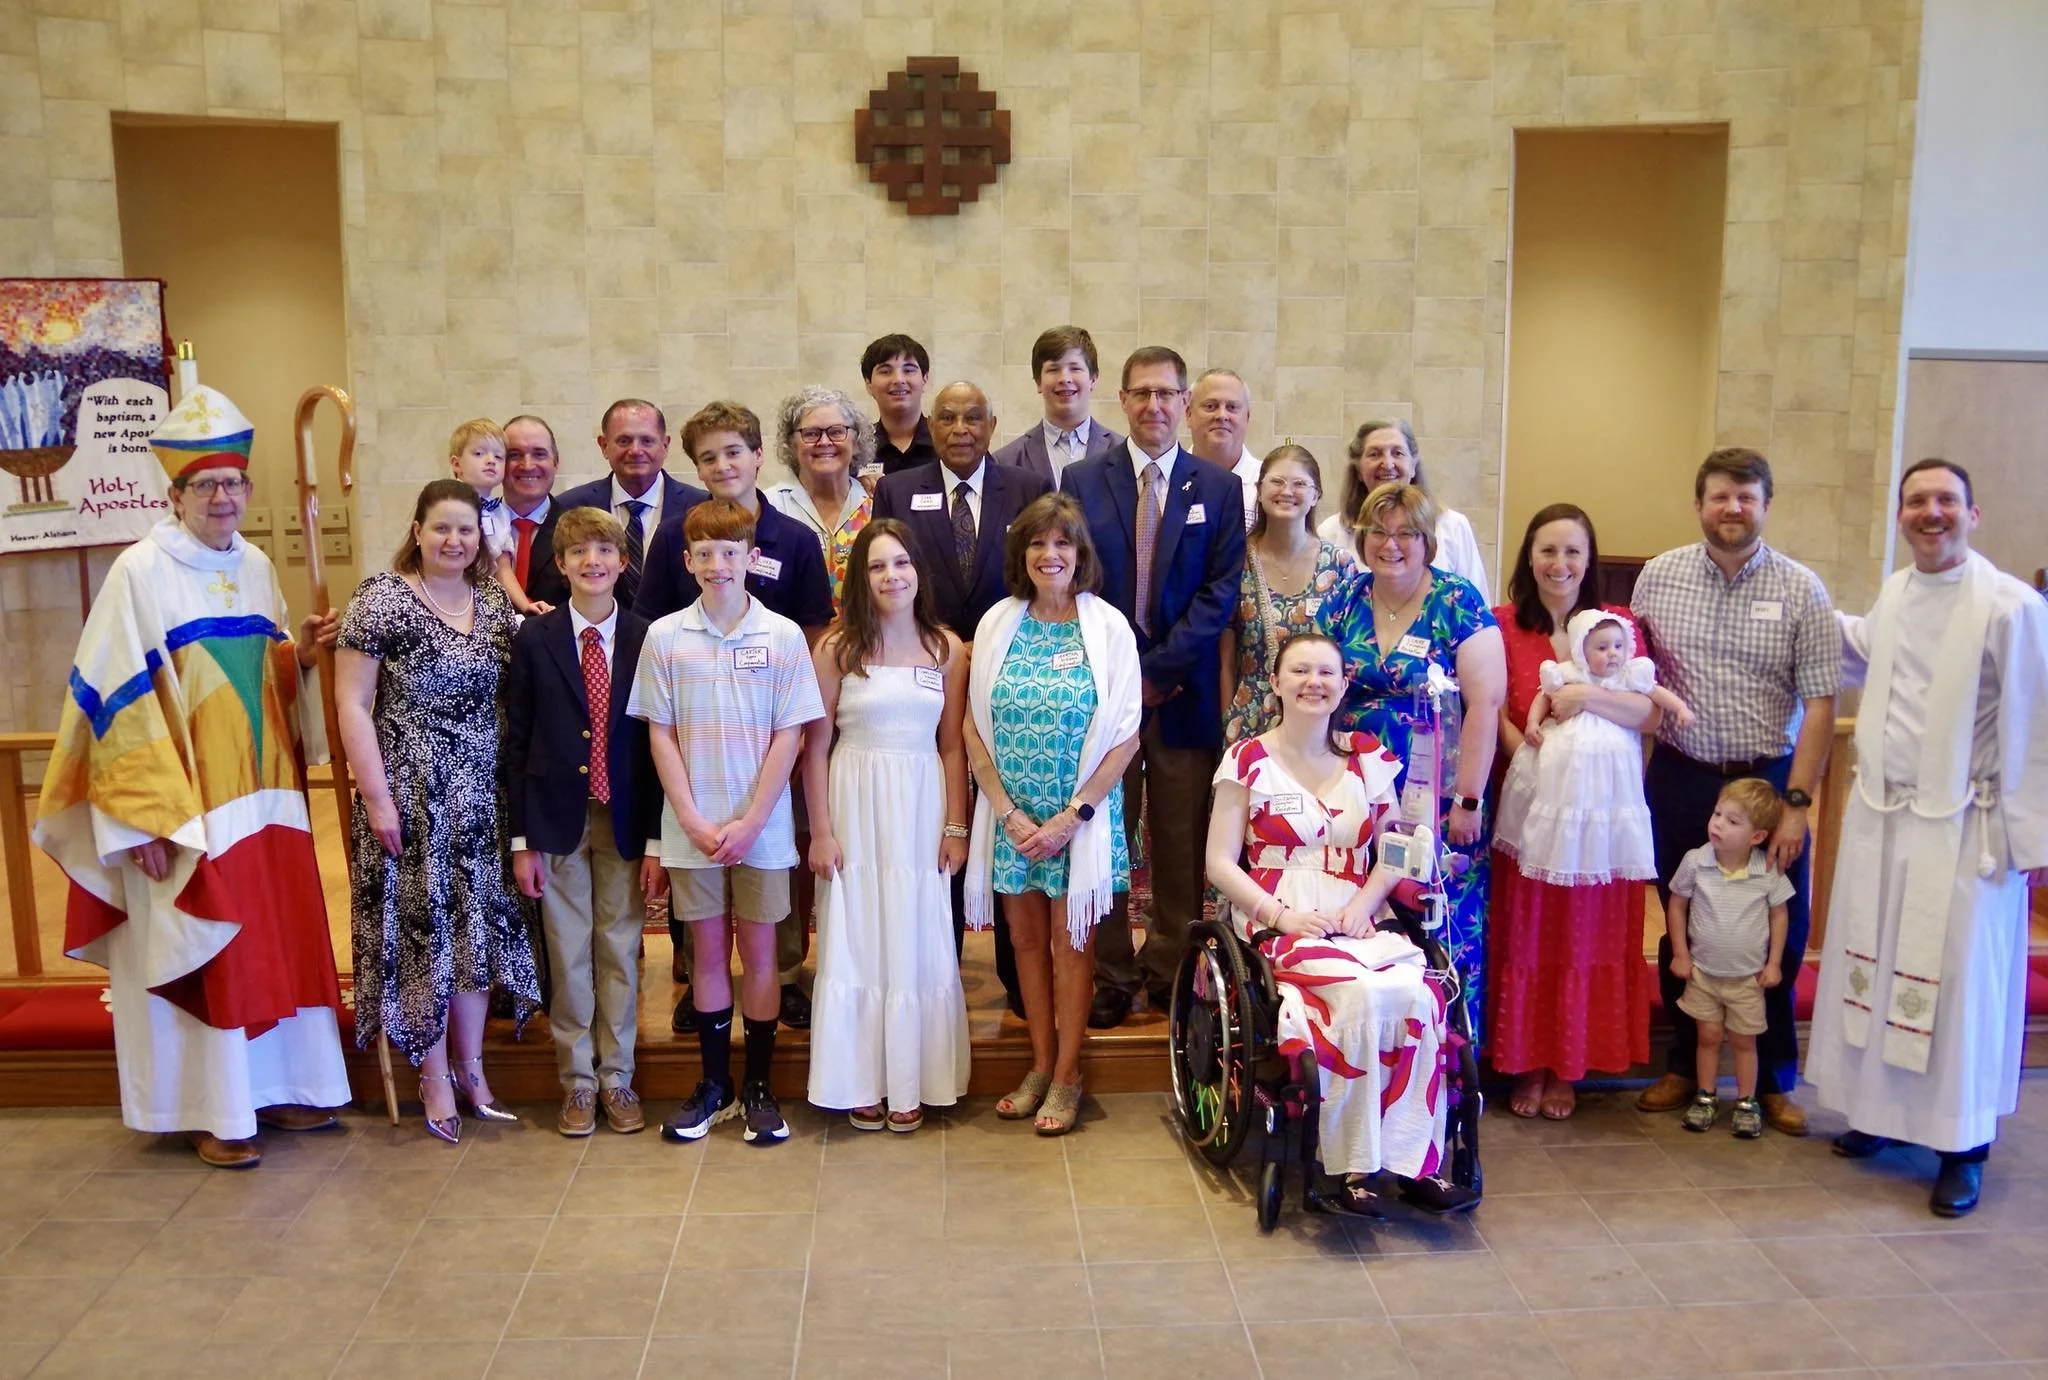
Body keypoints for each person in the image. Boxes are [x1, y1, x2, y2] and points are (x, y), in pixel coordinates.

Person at [34, 384, 349, 1169]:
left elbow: (261, 679)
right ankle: (214, 1110)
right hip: (187, 811)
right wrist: (140, 818)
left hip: (266, 798)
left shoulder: (258, 566)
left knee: (272, 941)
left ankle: (281, 1088)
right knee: (204, 945)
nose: (221, 498)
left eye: (232, 483)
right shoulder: (139, 573)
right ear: (173, 495)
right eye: (203, 485)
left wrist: (304, 658)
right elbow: (114, 702)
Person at [1808, 458, 2048, 1217]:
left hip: (1966, 830)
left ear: (1973, 515)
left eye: (1947, 500)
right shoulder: (1898, 592)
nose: (1931, 512)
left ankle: (1962, 1147)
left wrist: (2030, 842)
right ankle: (1881, 1115)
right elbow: (1867, 650)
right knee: (1879, 968)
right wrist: (1800, 607)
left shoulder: (2010, 606)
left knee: (1958, 986)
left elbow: (2038, 724)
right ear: (1901, 516)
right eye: (1917, 501)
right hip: (1886, 819)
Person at [1205, 633, 1478, 1214]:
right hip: (1280, 911)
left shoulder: (1366, 756)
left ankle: (1415, 1159)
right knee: (1356, 994)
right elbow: (1220, 863)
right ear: (1276, 683)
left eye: (1327, 672)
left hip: (1359, 910)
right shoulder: (1247, 759)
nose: (1314, 682)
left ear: (1344, 684)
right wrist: (1282, 917)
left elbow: (1395, 847)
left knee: (1417, 995)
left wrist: (1365, 904)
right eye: (1300, 671)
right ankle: (1353, 1164)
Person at [1631, 447, 1838, 1137]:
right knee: (1683, 914)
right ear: (1699, 504)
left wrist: (1796, 807)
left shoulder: (1802, 589)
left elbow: (1821, 705)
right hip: (1682, 776)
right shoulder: (1658, 578)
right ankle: (1684, 1066)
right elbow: (1633, 677)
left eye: (1746, 497)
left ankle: (1773, 1079)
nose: (1732, 508)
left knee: (1777, 922)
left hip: (1767, 783)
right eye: (1720, 495)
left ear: (1766, 505)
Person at [337, 479, 541, 1143]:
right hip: (412, 796)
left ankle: (472, 1070)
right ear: (417, 530)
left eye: (466, 530)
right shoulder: (382, 599)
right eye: (442, 528)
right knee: (426, 934)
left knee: (475, 934)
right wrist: (376, 797)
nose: (454, 540)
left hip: (482, 797)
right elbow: (351, 706)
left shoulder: (491, 601)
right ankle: (431, 1075)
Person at [628, 499, 826, 1146]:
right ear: (687, 561)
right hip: (694, 829)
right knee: (707, 956)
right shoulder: (665, 637)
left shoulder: (782, 636)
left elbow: (791, 735)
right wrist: (689, 817)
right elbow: (660, 734)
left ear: (751, 558)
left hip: (761, 830)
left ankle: (759, 1087)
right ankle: (714, 1085)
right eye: (705, 554)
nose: (718, 565)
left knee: (762, 957)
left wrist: (752, 820)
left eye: (730, 553)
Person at [1063, 345, 1246, 1028]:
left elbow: (1220, 592)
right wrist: (1125, 675)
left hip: (1182, 694)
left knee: (1178, 838)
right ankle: (1112, 971)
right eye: (1140, 393)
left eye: (1166, 393)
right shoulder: (1084, 479)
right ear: (1122, 400)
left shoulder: (1218, 488)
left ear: (1184, 402)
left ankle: (1170, 967)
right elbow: (1078, 579)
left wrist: (1159, 671)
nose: (1153, 405)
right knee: (1105, 835)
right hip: (1105, 694)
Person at [637, 401, 834, 1034]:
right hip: (698, 730)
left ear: (758, 457)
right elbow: (653, 623)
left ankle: (784, 975)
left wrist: (797, 723)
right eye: (708, 457)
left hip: (775, 725)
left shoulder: (794, 538)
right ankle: (700, 981)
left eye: (733, 452)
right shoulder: (678, 534)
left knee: (774, 860)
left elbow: (814, 629)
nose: (722, 466)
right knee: (700, 881)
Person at [962, 493, 1143, 1133]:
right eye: (1038, 542)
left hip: (1078, 821)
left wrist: (1074, 815)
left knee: (1072, 946)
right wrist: (1005, 810)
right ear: (1022, 553)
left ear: (1080, 552)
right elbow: (972, 726)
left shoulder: (1108, 627)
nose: (1050, 554)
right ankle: (1039, 1064)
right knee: (1025, 943)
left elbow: (1127, 735)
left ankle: (1068, 1074)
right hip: (1012, 818)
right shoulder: (997, 623)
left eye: (1062, 542)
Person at [874, 381, 1053, 1015]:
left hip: (1009, 678)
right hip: (926, 673)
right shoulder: (898, 489)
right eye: (946, 417)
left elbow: (1035, 579)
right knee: (940, 820)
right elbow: (891, 578)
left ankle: (1018, 973)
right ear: (931, 425)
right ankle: (938, 965)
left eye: (973, 417)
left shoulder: (1026, 487)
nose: (959, 429)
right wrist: (945, 645)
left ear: (992, 425)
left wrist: (991, 646)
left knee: (1007, 816)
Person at [1487, 506, 1664, 1119]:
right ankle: (1527, 1064)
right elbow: (1492, 708)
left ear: (1589, 561)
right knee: (1529, 933)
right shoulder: (1502, 625)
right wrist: (1533, 764)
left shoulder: (1618, 625)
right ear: (1528, 558)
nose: (1559, 564)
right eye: (1547, 550)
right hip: (1530, 810)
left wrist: (1586, 695)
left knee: (1584, 936)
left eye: (1572, 552)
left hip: (1598, 818)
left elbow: (1647, 711)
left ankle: (1568, 1067)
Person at [1315, 480, 1505, 1041]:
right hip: (1359, 794)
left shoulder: (1456, 600)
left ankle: (1449, 1058)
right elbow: (1316, 683)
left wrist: (1468, 799)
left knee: (1440, 922)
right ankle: (1376, 1052)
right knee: (1363, 915)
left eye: (1405, 533)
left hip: (1438, 796)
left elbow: (1485, 705)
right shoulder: (1345, 599)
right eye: (1378, 531)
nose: (1390, 544)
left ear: (1427, 541)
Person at [803, 521, 972, 1131]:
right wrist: (821, 831)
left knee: (916, 934)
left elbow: (952, 746)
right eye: (877, 566)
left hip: (921, 803)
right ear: (859, 578)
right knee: (856, 938)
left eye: (901, 563)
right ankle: (857, 1078)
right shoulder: (835, 649)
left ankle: (912, 1078)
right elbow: (814, 748)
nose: (891, 576)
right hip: (853, 801)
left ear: (918, 571)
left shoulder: (947, 649)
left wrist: (956, 826)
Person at [503, 506, 666, 1137]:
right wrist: (522, 839)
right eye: (578, 553)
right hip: (555, 817)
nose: (592, 561)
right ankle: (577, 1081)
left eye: (604, 551)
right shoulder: (534, 638)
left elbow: (660, 745)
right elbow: (518, 740)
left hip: (624, 815)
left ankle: (617, 1076)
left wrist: (656, 839)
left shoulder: (648, 638)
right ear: (561, 565)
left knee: (619, 948)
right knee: (568, 951)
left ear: (623, 562)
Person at [1667, 779, 1791, 1139]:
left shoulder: (1767, 870)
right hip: (1703, 973)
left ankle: (1746, 1100)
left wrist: (1774, 963)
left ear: (1757, 837)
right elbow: (1677, 904)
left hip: (1747, 978)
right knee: (1707, 1035)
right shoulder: (1696, 862)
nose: (1718, 823)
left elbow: (1779, 915)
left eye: (1733, 821)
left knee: (1743, 1040)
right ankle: (1705, 1095)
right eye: (1718, 814)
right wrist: (1680, 953)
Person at [1220, 443, 1357, 744]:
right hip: (1251, 715)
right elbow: (1225, 652)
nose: (1287, 491)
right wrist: (1228, 716)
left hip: (1316, 716)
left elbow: (1347, 650)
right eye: (1277, 482)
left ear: (1316, 495)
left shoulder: (1339, 565)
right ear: (1259, 490)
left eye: (1299, 484)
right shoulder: (1235, 559)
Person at [552, 399, 710, 611]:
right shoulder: (569, 507)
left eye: (647, 440)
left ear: (665, 445)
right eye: (624, 441)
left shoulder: (701, 507)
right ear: (604, 445)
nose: (635, 450)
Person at [1318, 420, 1489, 594]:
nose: (1388, 464)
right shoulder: (1330, 532)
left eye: (1397, 453)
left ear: (1413, 465)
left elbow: (1476, 600)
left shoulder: (1452, 526)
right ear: (1359, 470)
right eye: (1374, 454)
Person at [765, 385, 876, 610]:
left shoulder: (877, 504)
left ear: (856, 442)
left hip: (868, 632)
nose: (824, 442)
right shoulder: (769, 507)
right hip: (792, 631)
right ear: (791, 444)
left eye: (836, 432)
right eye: (811, 434)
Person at [990, 324, 1124, 484]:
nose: (1064, 379)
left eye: (1075, 368)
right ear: (1038, 382)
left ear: (1093, 379)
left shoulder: (1123, 453)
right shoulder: (1005, 461)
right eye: (1053, 370)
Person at [448, 416, 542, 614]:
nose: (491, 460)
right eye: (479, 453)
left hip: (486, 604)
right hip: (449, 599)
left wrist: (525, 606)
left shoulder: (499, 513)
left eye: (499, 457)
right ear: (456, 464)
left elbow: (502, 568)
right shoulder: (446, 505)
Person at [1185, 368, 1262, 530]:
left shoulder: (1268, 485)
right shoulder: (1167, 479)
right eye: (1210, 406)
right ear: (1188, 414)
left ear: (1247, 418)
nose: (1221, 416)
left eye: (1232, 407)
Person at [503, 414, 563, 602]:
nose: (527, 465)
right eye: (514, 455)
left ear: (555, 462)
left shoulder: (579, 531)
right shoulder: (474, 525)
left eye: (539, 454)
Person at [863, 333, 938, 476]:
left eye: (908, 370)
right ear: (868, 384)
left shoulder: (947, 442)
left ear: (925, 379)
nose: (899, 380)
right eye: (885, 371)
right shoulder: (858, 449)